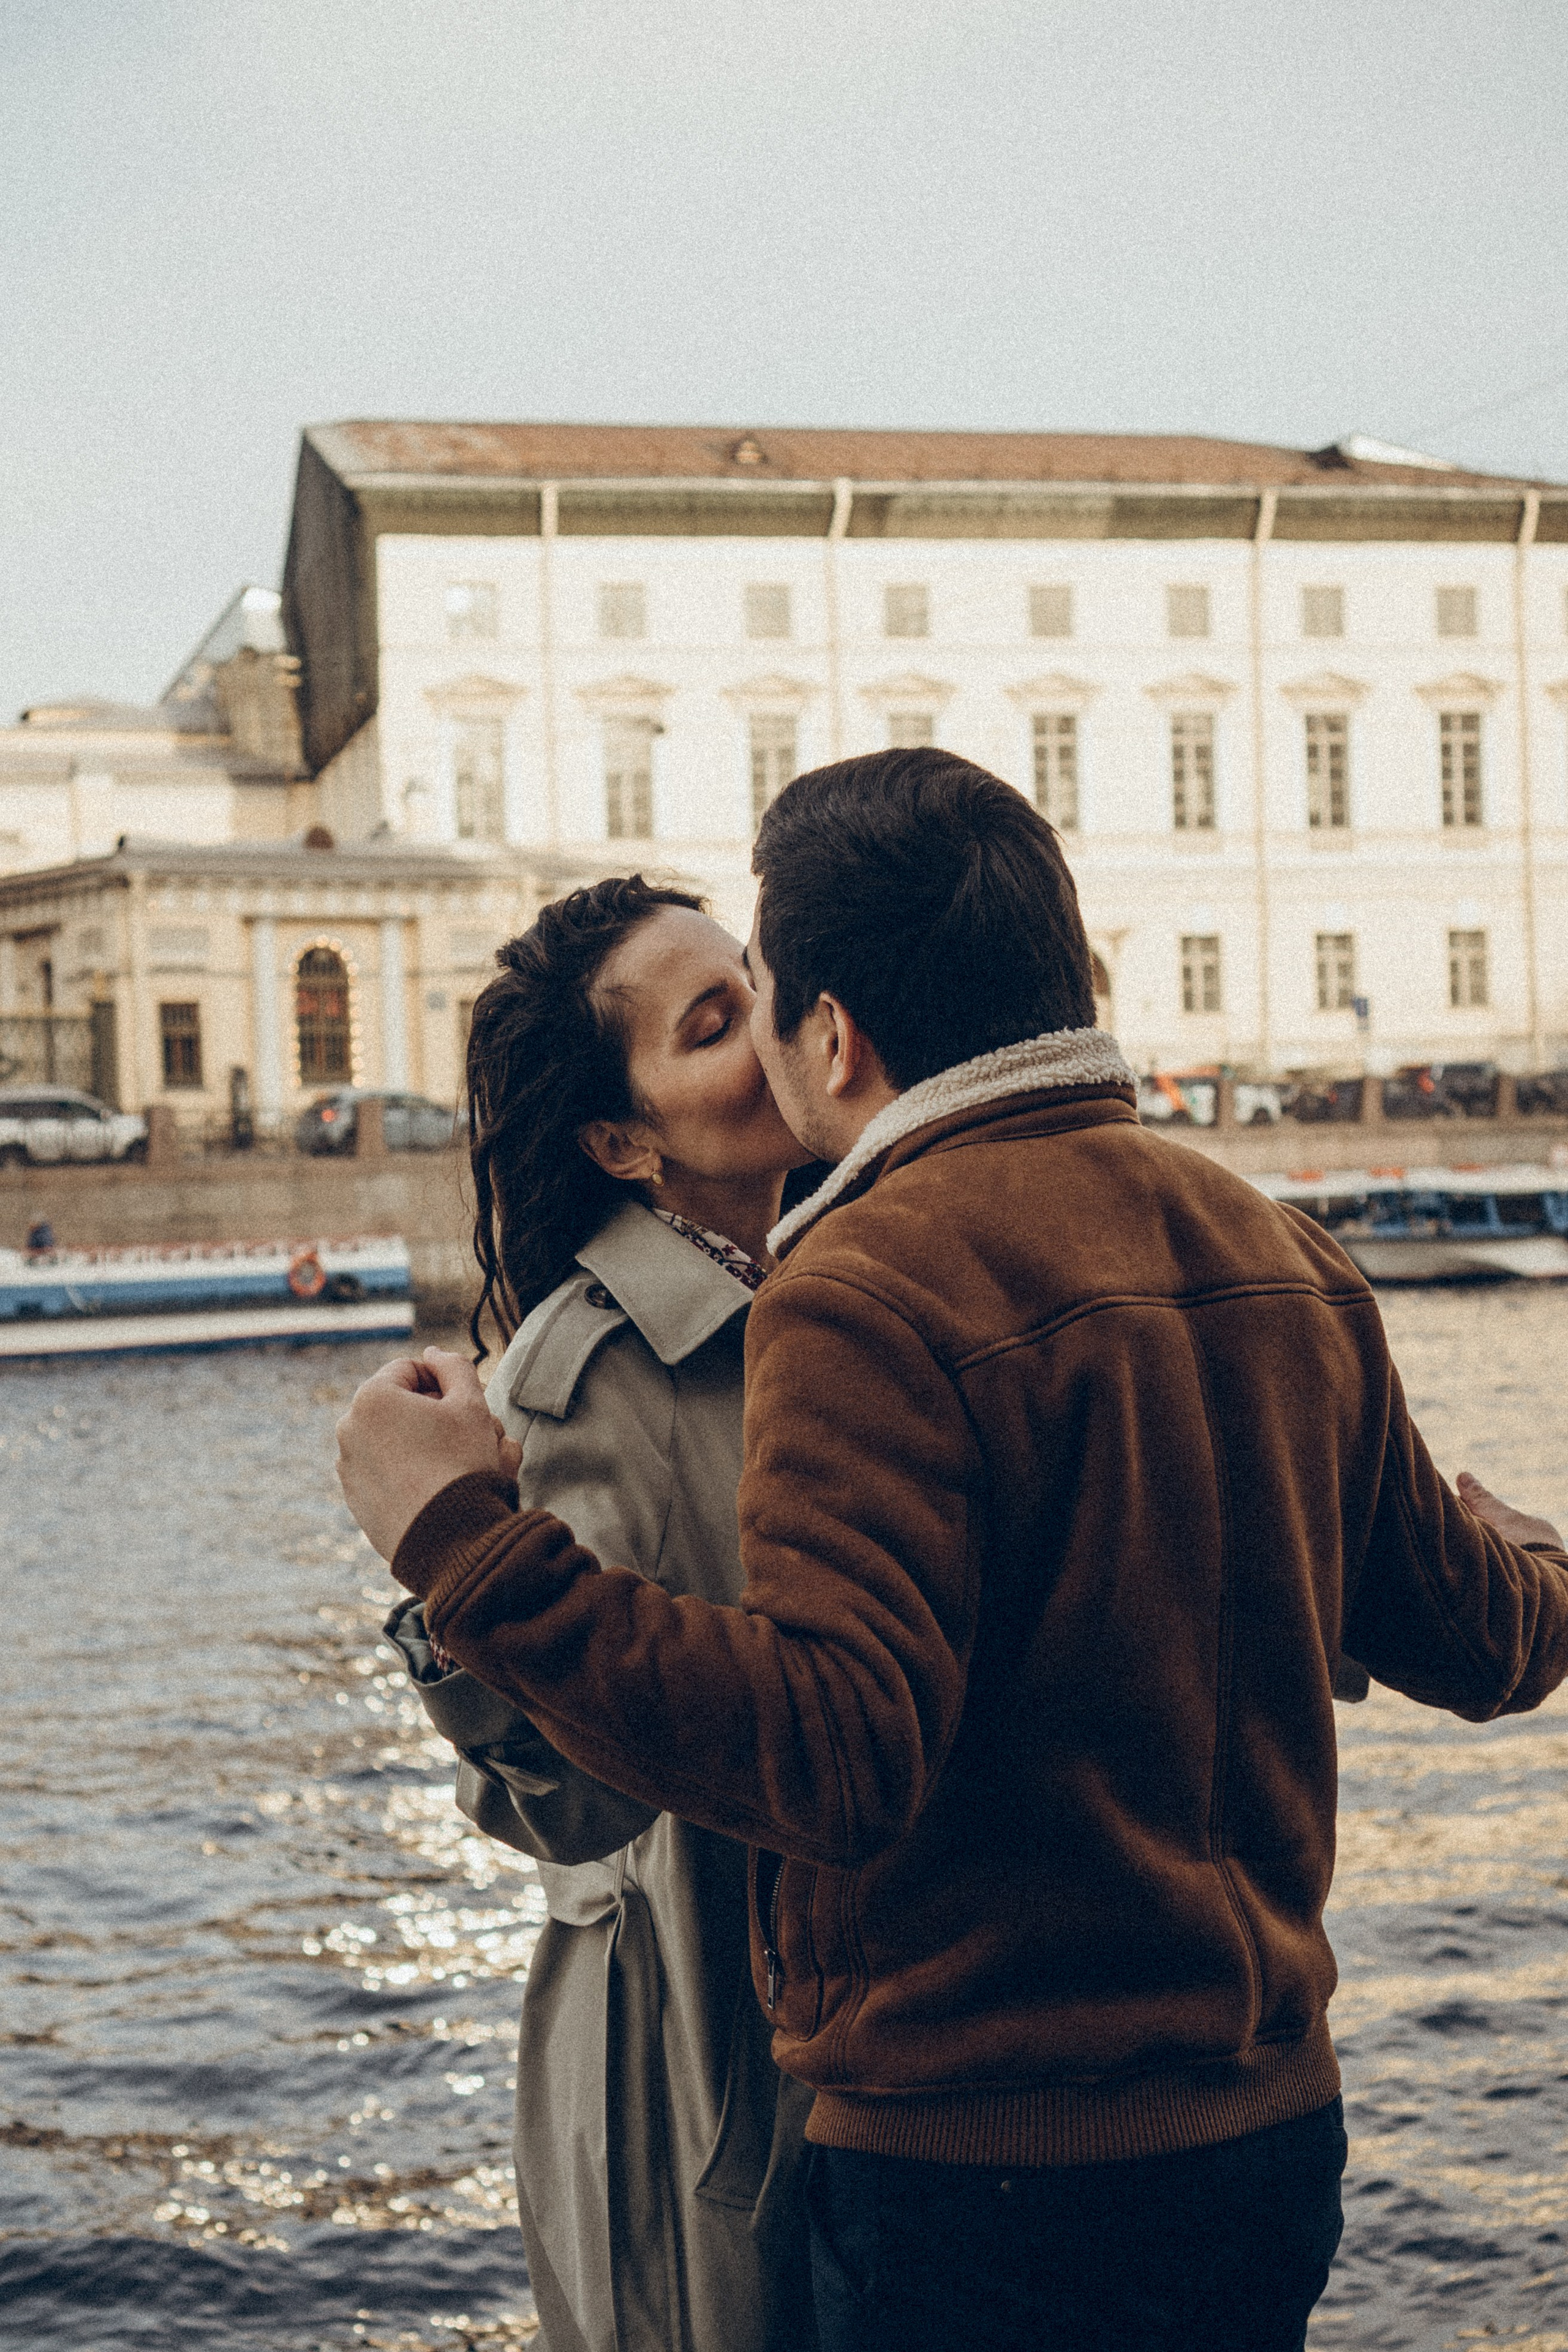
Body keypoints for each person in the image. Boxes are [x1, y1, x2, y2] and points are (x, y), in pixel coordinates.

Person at [339, 748, 1568, 2352]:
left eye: (759, 994)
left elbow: (843, 1758)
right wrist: (1534, 1565)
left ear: (831, 1038)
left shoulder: (861, 1282)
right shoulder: (1285, 1251)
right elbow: (1475, 1637)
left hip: (978, 2161)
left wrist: (455, 1545)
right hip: (1264, 2128)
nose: (759, 1026)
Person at [384, 875, 816, 2352]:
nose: (772, 1028)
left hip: (839, 2025)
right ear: (626, 1143)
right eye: (715, 1024)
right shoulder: (582, 1383)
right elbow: (564, 1803)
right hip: (687, 2054)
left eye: (754, 983)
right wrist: (445, 1580)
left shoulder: (831, 1286)